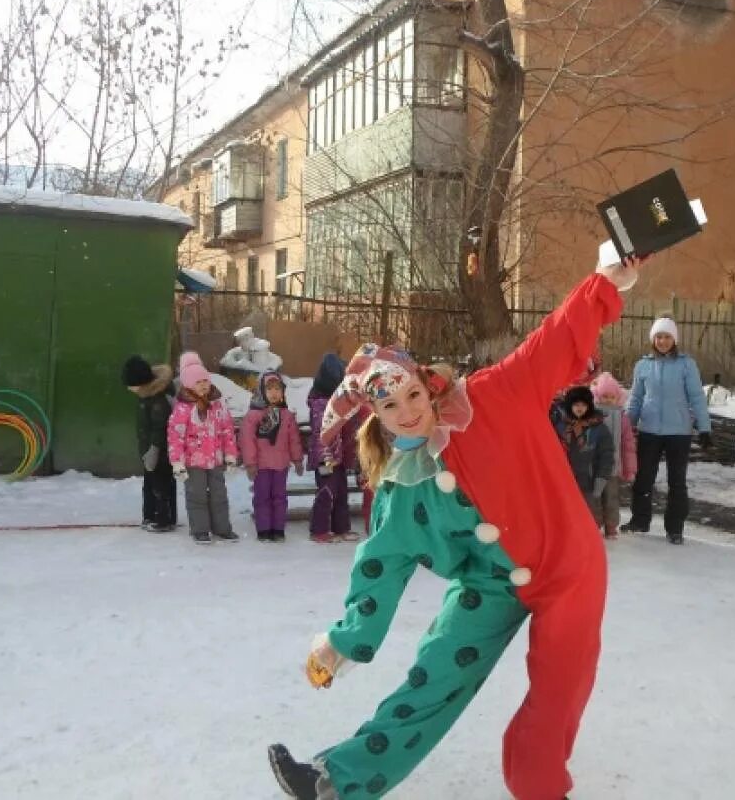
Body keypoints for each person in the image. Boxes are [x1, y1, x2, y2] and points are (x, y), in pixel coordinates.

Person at [267, 257, 641, 800]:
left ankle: (539, 788)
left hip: (568, 568)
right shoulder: (402, 491)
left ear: (425, 384)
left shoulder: (493, 396)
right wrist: (341, 643)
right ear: (377, 416)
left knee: (555, 693)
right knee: (433, 675)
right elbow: (378, 569)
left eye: (412, 395)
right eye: (390, 405)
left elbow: (554, 338)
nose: (408, 411)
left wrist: (604, 282)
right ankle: (335, 779)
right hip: (491, 585)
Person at [621, 317, 711, 544]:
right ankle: (640, 520)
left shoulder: (686, 364)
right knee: (643, 478)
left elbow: (697, 398)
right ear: (653, 339)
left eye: (667, 337)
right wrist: (627, 425)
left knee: (677, 482)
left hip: (678, 432)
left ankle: (675, 528)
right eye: (659, 337)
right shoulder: (643, 365)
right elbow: (636, 398)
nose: (662, 341)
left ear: (674, 339)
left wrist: (704, 428)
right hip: (649, 430)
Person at [167, 351, 239, 544]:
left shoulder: (217, 404)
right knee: (196, 496)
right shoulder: (182, 409)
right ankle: (200, 529)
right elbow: (175, 436)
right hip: (193, 462)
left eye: (206, 380)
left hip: (215, 459)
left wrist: (230, 455)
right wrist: (177, 462)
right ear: (189, 384)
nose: (204, 385)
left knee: (219, 495)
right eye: (198, 382)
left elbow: (227, 430)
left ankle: (222, 528)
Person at [240, 370, 304, 542]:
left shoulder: (286, 415)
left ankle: (278, 528)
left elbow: (294, 439)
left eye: (278, 389)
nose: (274, 393)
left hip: (281, 465)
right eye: (269, 389)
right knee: (262, 497)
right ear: (261, 391)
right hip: (261, 465)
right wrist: (250, 463)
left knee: (279, 497)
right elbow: (247, 441)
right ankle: (263, 528)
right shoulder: (254, 415)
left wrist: (297, 459)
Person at [307, 353, 360, 543]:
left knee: (341, 493)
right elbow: (321, 433)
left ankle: (341, 528)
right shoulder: (321, 403)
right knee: (326, 493)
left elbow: (347, 429)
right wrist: (325, 456)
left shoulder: (341, 401)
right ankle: (319, 530)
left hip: (339, 457)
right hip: (327, 458)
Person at [121, 355, 177, 532]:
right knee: (150, 484)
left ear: (142, 382)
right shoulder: (146, 395)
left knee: (161, 485)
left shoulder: (158, 400)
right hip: (149, 451)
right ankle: (150, 515)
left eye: (132, 385)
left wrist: (154, 449)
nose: (130, 389)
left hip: (161, 451)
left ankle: (164, 519)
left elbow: (160, 428)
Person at [552, 386, 615, 534]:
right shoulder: (560, 427)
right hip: (564, 477)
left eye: (583, 405)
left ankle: (589, 535)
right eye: (576, 405)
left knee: (588, 515)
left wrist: (601, 477)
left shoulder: (599, 428)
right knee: (563, 511)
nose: (580, 408)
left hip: (588, 478)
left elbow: (606, 454)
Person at [589, 371, 638, 538]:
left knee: (612, 498)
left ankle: (611, 526)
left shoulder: (622, 418)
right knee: (594, 498)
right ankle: (593, 525)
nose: (608, 400)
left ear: (617, 397)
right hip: (593, 468)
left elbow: (628, 445)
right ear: (597, 396)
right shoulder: (591, 416)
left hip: (612, 468)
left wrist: (629, 468)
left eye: (611, 396)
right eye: (604, 396)